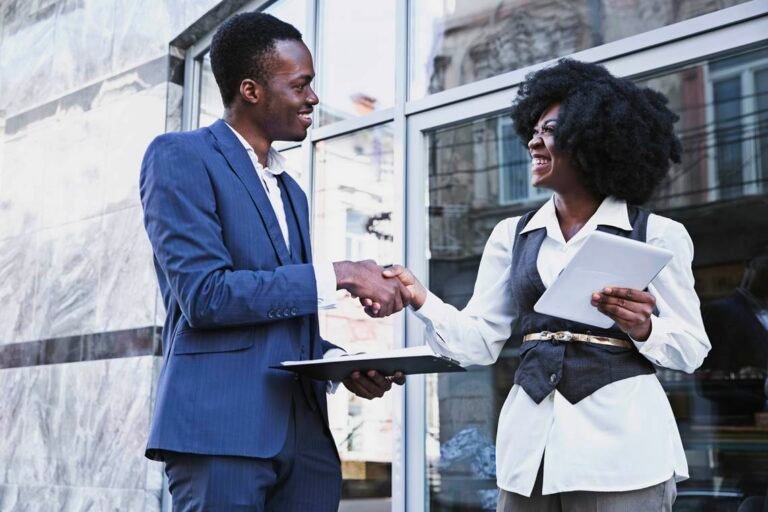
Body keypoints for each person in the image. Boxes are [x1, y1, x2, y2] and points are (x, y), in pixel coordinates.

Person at [377, 59, 711, 511]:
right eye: (533, 129)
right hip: (528, 451)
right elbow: (478, 344)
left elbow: (692, 348)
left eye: (551, 129)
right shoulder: (511, 235)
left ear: (596, 138)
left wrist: (645, 329)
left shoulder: (657, 233)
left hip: (623, 453)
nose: (534, 140)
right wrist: (421, 298)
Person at [139, 12, 408, 511]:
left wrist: (339, 365)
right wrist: (342, 274)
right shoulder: (180, 156)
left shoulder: (294, 192)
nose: (313, 98)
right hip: (221, 435)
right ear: (251, 90)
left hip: (304, 441)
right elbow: (206, 296)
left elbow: (279, 318)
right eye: (300, 84)